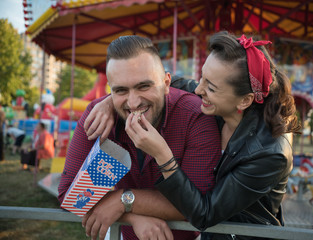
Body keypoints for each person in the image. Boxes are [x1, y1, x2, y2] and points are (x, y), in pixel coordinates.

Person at [86, 31, 301, 240]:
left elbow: (205, 214)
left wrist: (163, 155)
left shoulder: (270, 153)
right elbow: (153, 84)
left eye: (211, 87)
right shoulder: (217, 104)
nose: (198, 90)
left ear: (245, 100)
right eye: (202, 78)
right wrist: (109, 102)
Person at [58, 35, 222, 240]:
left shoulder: (195, 116)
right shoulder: (96, 116)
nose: (133, 103)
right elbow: (69, 195)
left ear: (166, 83)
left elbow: (199, 204)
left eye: (144, 86)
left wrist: (122, 200)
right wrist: (132, 216)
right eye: (121, 90)